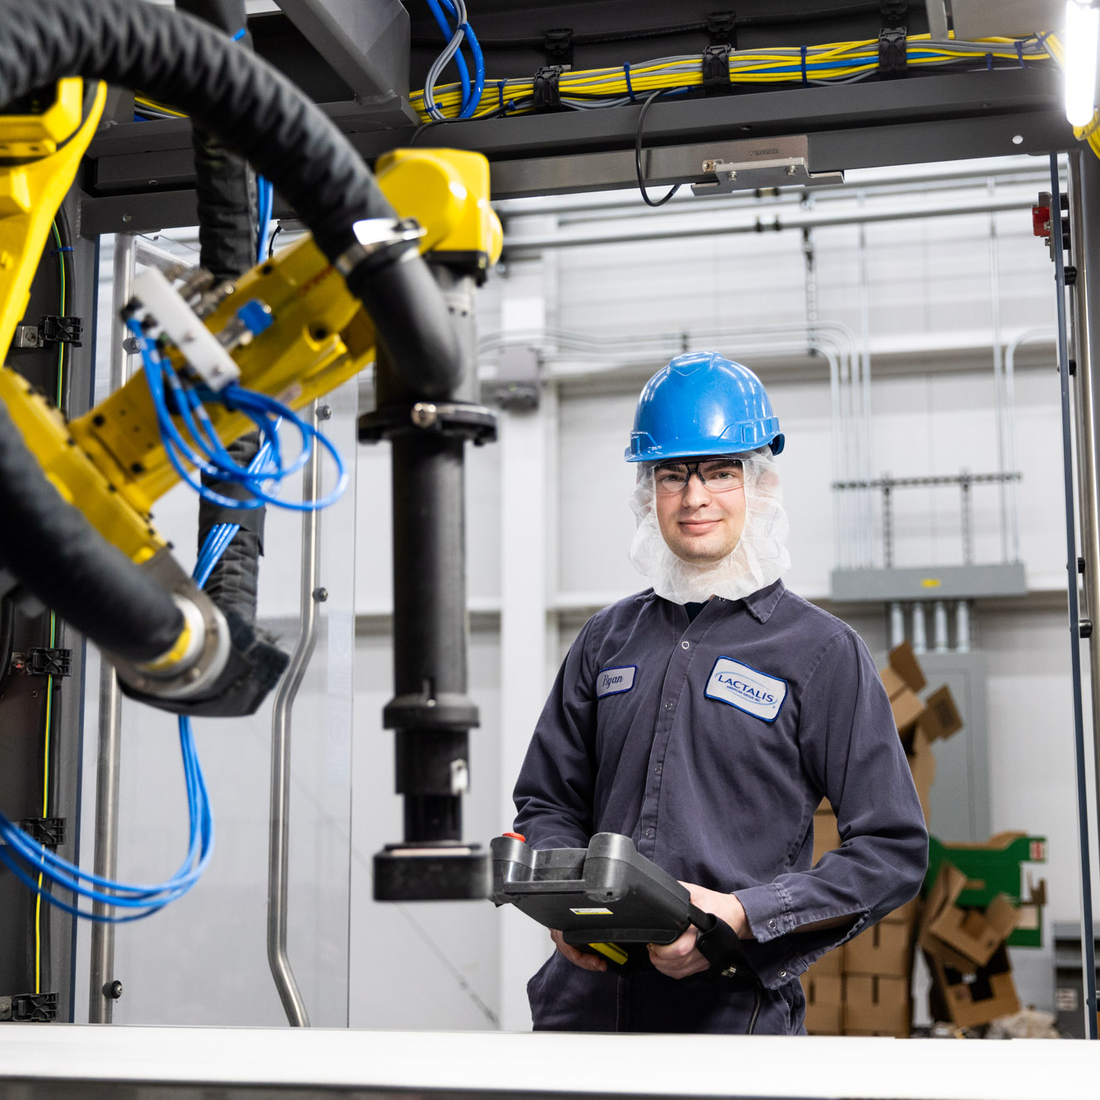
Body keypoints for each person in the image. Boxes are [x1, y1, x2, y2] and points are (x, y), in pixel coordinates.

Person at [512, 351, 928, 1034]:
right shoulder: (604, 641)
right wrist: (565, 900)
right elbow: (548, 800)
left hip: (728, 1016)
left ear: (760, 485)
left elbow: (891, 851)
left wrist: (744, 913)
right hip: (582, 1012)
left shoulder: (821, 653)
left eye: (719, 471)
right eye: (672, 474)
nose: (694, 496)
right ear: (648, 492)